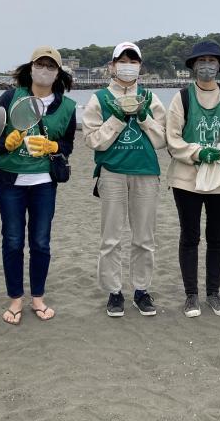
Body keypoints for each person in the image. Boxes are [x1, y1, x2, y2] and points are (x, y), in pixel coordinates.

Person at [165, 41, 220, 318]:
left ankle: (213, 292)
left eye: (212, 60)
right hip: (186, 178)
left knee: (217, 237)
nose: (207, 65)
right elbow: (172, 139)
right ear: (193, 66)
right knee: (189, 236)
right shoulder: (182, 97)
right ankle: (191, 295)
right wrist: (199, 151)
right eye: (201, 60)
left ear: (219, 65)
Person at [0, 47, 76, 325]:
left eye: (51, 66)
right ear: (30, 68)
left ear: (58, 73)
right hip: (10, 182)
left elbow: (67, 145)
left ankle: (37, 297)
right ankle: (15, 299)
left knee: (41, 242)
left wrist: (53, 146)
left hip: (44, 183)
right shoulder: (9, 97)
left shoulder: (67, 106)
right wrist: (7, 144)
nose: (45, 70)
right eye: (41, 64)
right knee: (13, 241)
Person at [82, 42, 167, 317]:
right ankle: (114, 291)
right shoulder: (100, 98)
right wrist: (117, 120)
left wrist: (143, 117)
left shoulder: (150, 98)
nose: (128, 65)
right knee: (111, 238)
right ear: (112, 65)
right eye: (123, 60)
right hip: (112, 173)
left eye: (133, 61)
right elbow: (93, 141)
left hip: (145, 172)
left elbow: (162, 139)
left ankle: (141, 290)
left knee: (144, 237)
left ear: (140, 66)